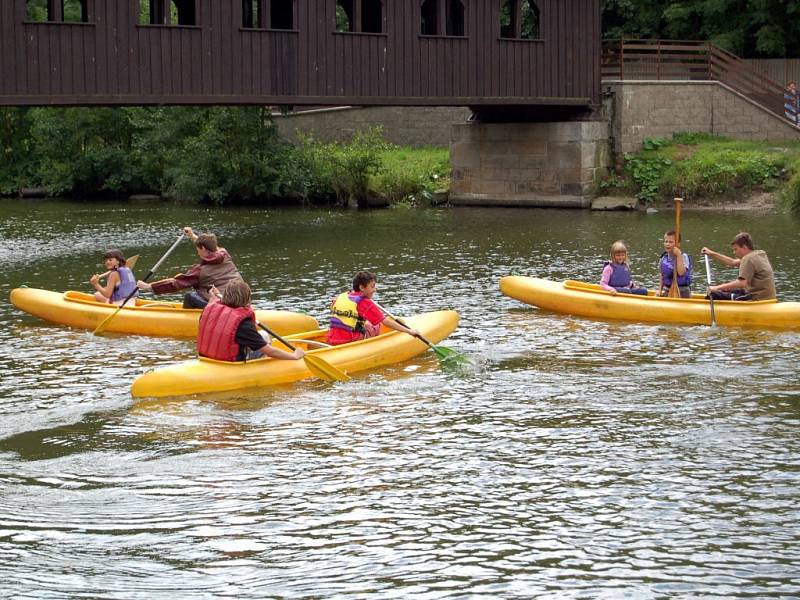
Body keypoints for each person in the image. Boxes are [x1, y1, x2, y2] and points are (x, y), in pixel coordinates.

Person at [197, 280, 305, 362]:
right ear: (247, 299)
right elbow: (269, 351)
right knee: (264, 335)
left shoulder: (210, 309)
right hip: (230, 363)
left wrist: (214, 295)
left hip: (207, 358)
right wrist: (294, 356)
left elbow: (214, 301)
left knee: (259, 337)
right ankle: (261, 367)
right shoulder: (244, 325)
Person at [137, 226, 243, 309]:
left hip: (223, 305)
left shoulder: (199, 271)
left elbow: (175, 283)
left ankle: (190, 319)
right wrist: (192, 235)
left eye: (198, 249)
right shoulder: (224, 253)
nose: (197, 252)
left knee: (190, 296)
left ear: (203, 248)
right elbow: (208, 245)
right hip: (241, 299)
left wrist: (148, 286)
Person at [327, 271, 421, 346]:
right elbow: (385, 322)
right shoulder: (364, 301)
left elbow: (333, 307)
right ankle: (375, 346)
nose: (374, 290)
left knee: (366, 323)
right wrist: (409, 331)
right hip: (349, 340)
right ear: (362, 287)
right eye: (372, 286)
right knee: (376, 325)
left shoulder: (342, 296)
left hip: (332, 338)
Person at [701, 232, 776, 301]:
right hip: (766, 296)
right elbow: (732, 262)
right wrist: (711, 253)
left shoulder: (748, 259)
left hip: (756, 298)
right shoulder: (759, 254)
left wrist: (717, 287)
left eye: (736, 249)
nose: (734, 252)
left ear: (744, 247)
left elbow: (742, 283)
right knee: (723, 290)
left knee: (713, 294)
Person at [658, 230, 692, 298]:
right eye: (666, 241)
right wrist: (660, 291)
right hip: (667, 289)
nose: (667, 244)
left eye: (670, 242)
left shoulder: (684, 257)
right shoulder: (663, 258)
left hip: (682, 290)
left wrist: (678, 255)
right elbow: (662, 276)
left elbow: (681, 272)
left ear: (678, 244)